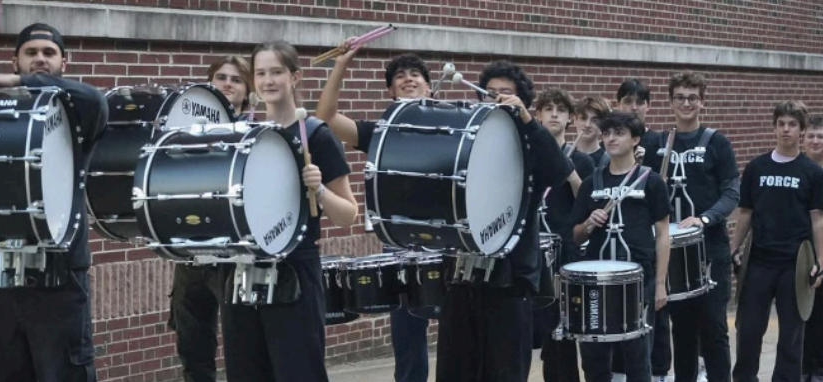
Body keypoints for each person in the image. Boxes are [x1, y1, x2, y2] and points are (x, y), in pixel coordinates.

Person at [0, 22, 108, 382]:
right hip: (0, 277)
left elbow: (96, 98)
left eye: (50, 53)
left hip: (59, 280)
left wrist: (13, 83)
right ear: (14, 60)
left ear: (65, 61)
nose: (41, 59)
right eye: (31, 53)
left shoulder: (79, 113)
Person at [219, 40, 358, 382]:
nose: (268, 81)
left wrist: (320, 189)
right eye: (261, 73)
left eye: (277, 72)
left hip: (294, 272)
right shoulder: (242, 135)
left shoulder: (316, 136)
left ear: (294, 78)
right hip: (242, 271)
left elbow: (349, 215)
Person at [434, 60, 575, 382]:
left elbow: (559, 171)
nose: (496, 99)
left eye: (506, 94)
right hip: (460, 280)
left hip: (510, 282)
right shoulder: (466, 145)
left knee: (505, 373)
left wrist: (527, 121)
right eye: (491, 93)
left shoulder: (532, 146)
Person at [316, 39, 434, 382]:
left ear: (429, 85)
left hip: (452, 239)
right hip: (401, 240)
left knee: (463, 331)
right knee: (408, 336)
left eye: (416, 74)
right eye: (400, 76)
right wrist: (341, 64)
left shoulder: (454, 125)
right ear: (391, 90)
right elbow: (325, 118)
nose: (408, 78)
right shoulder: (381, 132)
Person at [640, 72, 738, 382]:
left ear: (702, 102)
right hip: (671, 253)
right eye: (680, 97)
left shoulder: (717, 142)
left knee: (714, 329)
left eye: (692, 97)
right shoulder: (655, 143)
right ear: (670, 102)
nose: (686, 102)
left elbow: (732, 193)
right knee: (681, 332)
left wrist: (704, 218)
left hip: (710, 249)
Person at [167, 55, 252, 382]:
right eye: (221, 77)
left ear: (247, 91)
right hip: (192, 250)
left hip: (234, 252)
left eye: (237, 79)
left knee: (240, 345)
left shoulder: (254, 129)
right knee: (192, 344)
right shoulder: (186, 130)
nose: (228, 84)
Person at [570, 111, 670, 382]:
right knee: (594, 360)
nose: (611, 138)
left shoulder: (650, 181)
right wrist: (589, 223)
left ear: (636, 139)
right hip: (597, 283)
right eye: (607, 133)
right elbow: (576, 235)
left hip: (639, 280)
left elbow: (663, 234)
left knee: (638, 359)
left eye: (619, 133)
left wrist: (660, 284)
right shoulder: (592, 183)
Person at [730, 101, 823, 382]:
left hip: (795, 263)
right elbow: (745, 212)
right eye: (781, 123)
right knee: (748, 331)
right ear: (774, 127)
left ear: (802, 130)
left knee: (791, 338)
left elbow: (818, 219)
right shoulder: (757, 167)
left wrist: (820, 261)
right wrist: (733, 247)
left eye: (792, 125)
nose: (786, 129)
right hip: (759, 260)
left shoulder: (812, 172)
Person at [533, 88, 593, 382]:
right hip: (533, 252)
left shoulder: (581, 160)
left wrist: (569, 172)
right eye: (548, 109)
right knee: (543, 333)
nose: (554, 113)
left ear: (571, 118)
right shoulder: (529, 157)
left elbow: (588, 201)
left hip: (566, 252)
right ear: (538, 116)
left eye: (560, 109)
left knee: (565, 331)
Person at [804, 115, 823, 382]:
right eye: (812, 136)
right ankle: (804, 366)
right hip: (802, 253)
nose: (816, 141)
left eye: (821, 137)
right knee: (803, 314)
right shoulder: (799, 171)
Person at [573, 96, 612, 168]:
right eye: (583, 118)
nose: (587, 125)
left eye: (594, 120)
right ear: (575, 120)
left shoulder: (608, 162)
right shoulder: (563, 155)